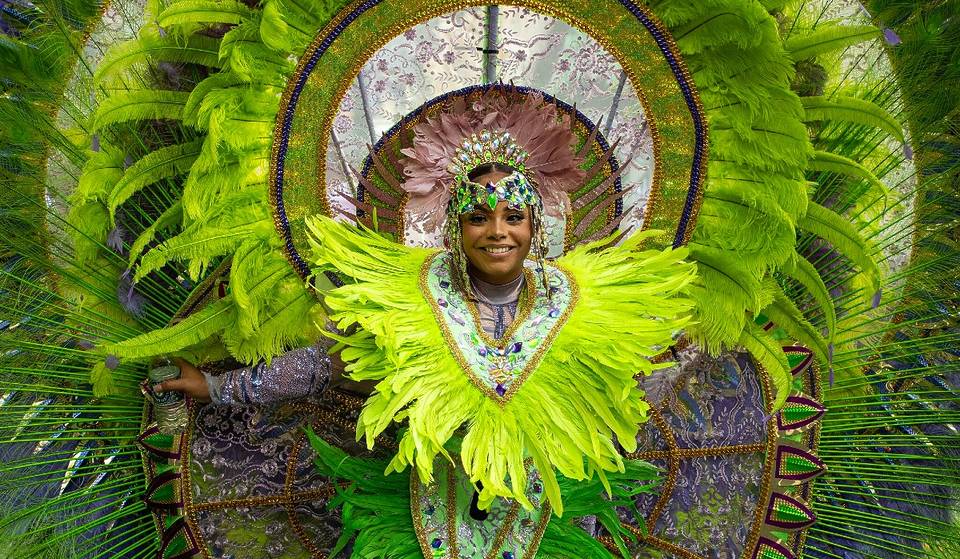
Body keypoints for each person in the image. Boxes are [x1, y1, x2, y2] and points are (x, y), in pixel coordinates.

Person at [154, 92, 696, 558]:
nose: (497, 233)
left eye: (513, 217)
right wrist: (219, 387)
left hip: (554, 521)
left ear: (537, 226)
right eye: (478, 217)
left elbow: (627, 384)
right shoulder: (410, 296)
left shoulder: (584, 300)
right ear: (455, 229)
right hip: (424, 525)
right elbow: (326, 363)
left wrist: (677, 356)